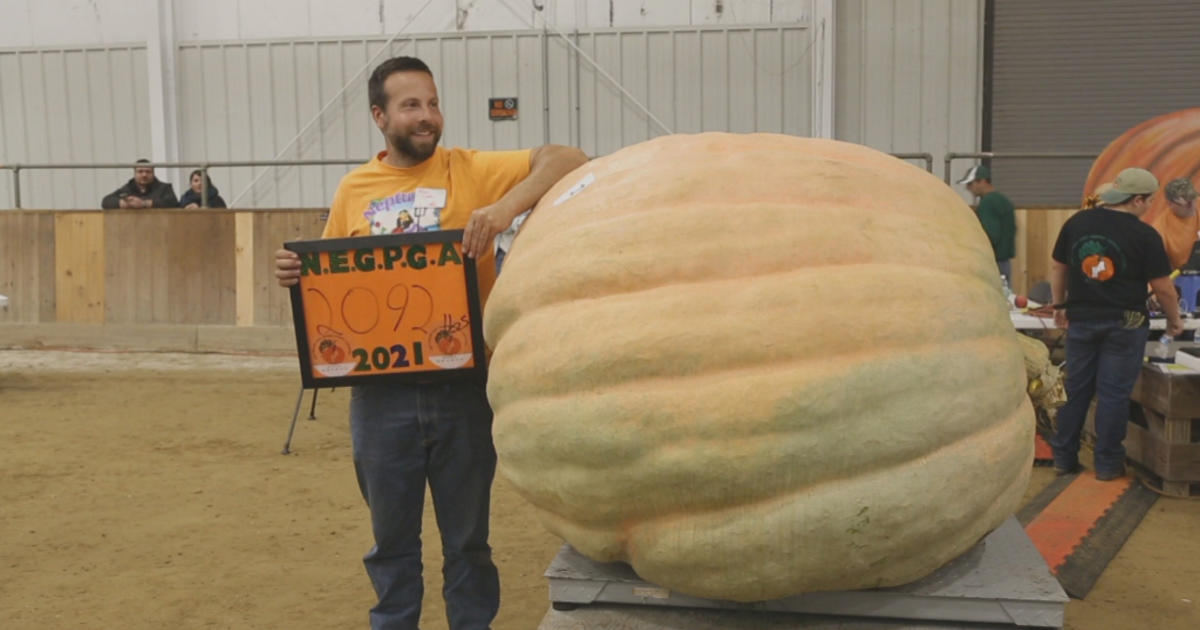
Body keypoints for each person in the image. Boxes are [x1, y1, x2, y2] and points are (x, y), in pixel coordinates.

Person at [274, 56, 586, 630]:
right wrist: (297, 275)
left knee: (468, 542)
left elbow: (568, 159)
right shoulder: (354, 190)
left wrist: (503, 209)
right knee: (390, 545)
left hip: (464, 388)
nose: (427, 116)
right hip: (378, 397)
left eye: (433, 102)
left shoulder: (471, 170)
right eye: (411, 105)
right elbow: (329, 288)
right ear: (380, 115)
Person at [1049, 167, 1183, 482]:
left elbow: (1058, 265)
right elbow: (1163, 287)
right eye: (1150, 201)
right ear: (1137, 200)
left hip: (1082, 320)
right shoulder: (1145, 235)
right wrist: (1174, 321)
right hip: (1126, 323)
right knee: (1113, 394)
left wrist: (1059, 305)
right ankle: (1108, 465)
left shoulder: (1077, 223)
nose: (1150, 207)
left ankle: (1063, 458)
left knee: (1076, 390)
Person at [957, 164, 1017, 283]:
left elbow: (990, 235)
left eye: (970, 184)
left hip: (993, 263)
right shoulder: (1003, 200)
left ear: (982, 181)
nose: (968, 188)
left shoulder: (988, 203)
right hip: (1004, 262)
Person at [1149, 177, 1199, 270]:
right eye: (1186, 203)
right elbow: (1161, 270)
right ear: (1169, 203)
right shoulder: (1160, 230)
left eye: (1193, 199)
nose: (1192, 206)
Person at [100, 159, 180, 209]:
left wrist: (144, 204)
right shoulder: (127, 189)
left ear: (153, 173)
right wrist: (124, 204)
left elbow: (173, 204)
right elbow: (106, 202)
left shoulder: (164, 188)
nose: (144, 175)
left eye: (148, 172)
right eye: (140, 171)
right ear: (134, 173)